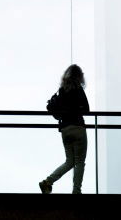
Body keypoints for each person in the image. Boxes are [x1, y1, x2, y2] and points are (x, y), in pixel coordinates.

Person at [39, 64, 89, 194]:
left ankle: (48, 182)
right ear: (79, 76)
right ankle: (76, 191)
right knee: (79, 162)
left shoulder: (61, 91)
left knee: (70, 161)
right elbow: (87, 109)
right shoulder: (78, 89)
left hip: (65, 130)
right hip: (78, 127)